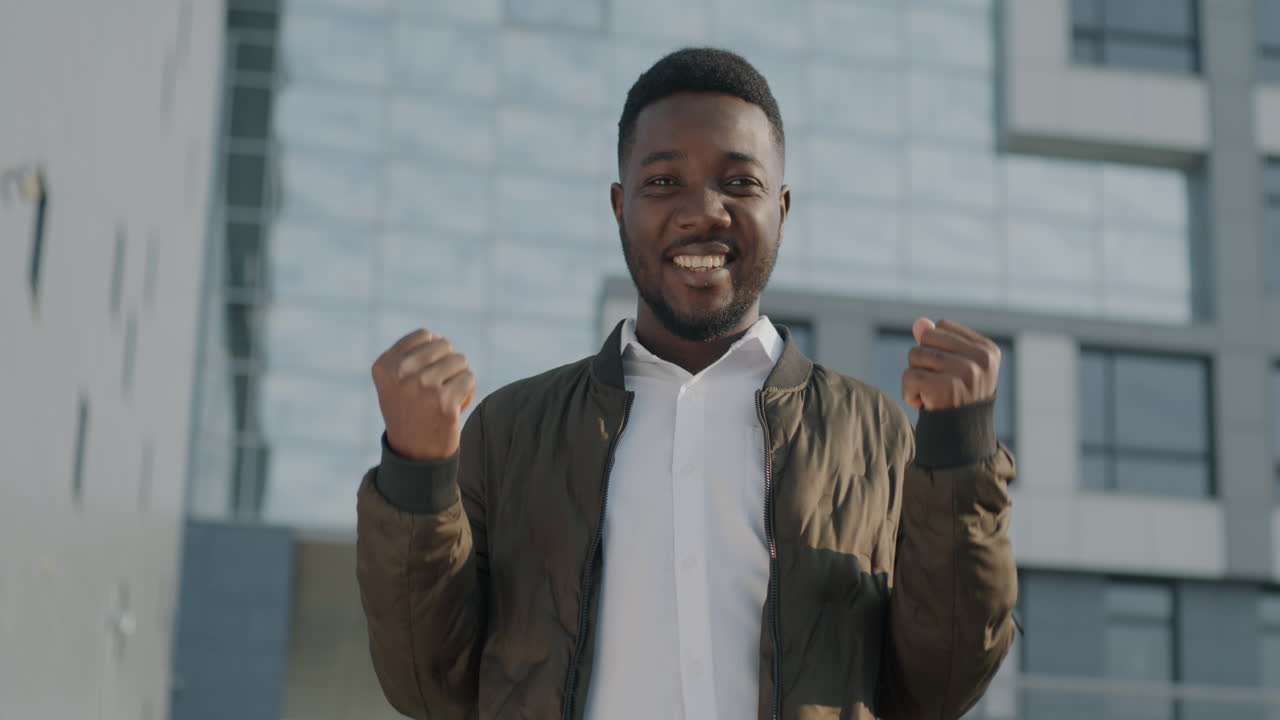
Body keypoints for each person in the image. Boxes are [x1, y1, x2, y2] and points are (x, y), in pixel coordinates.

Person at [356, 48, 1017, 720]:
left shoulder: (872, 431)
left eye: (739, 183)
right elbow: (427, 683)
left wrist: (961, 457)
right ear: (620, 207)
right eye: (664, 183)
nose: (703, 211)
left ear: (783, 209)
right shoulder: (510, 429)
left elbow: (942, 683)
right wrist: (417, 473)